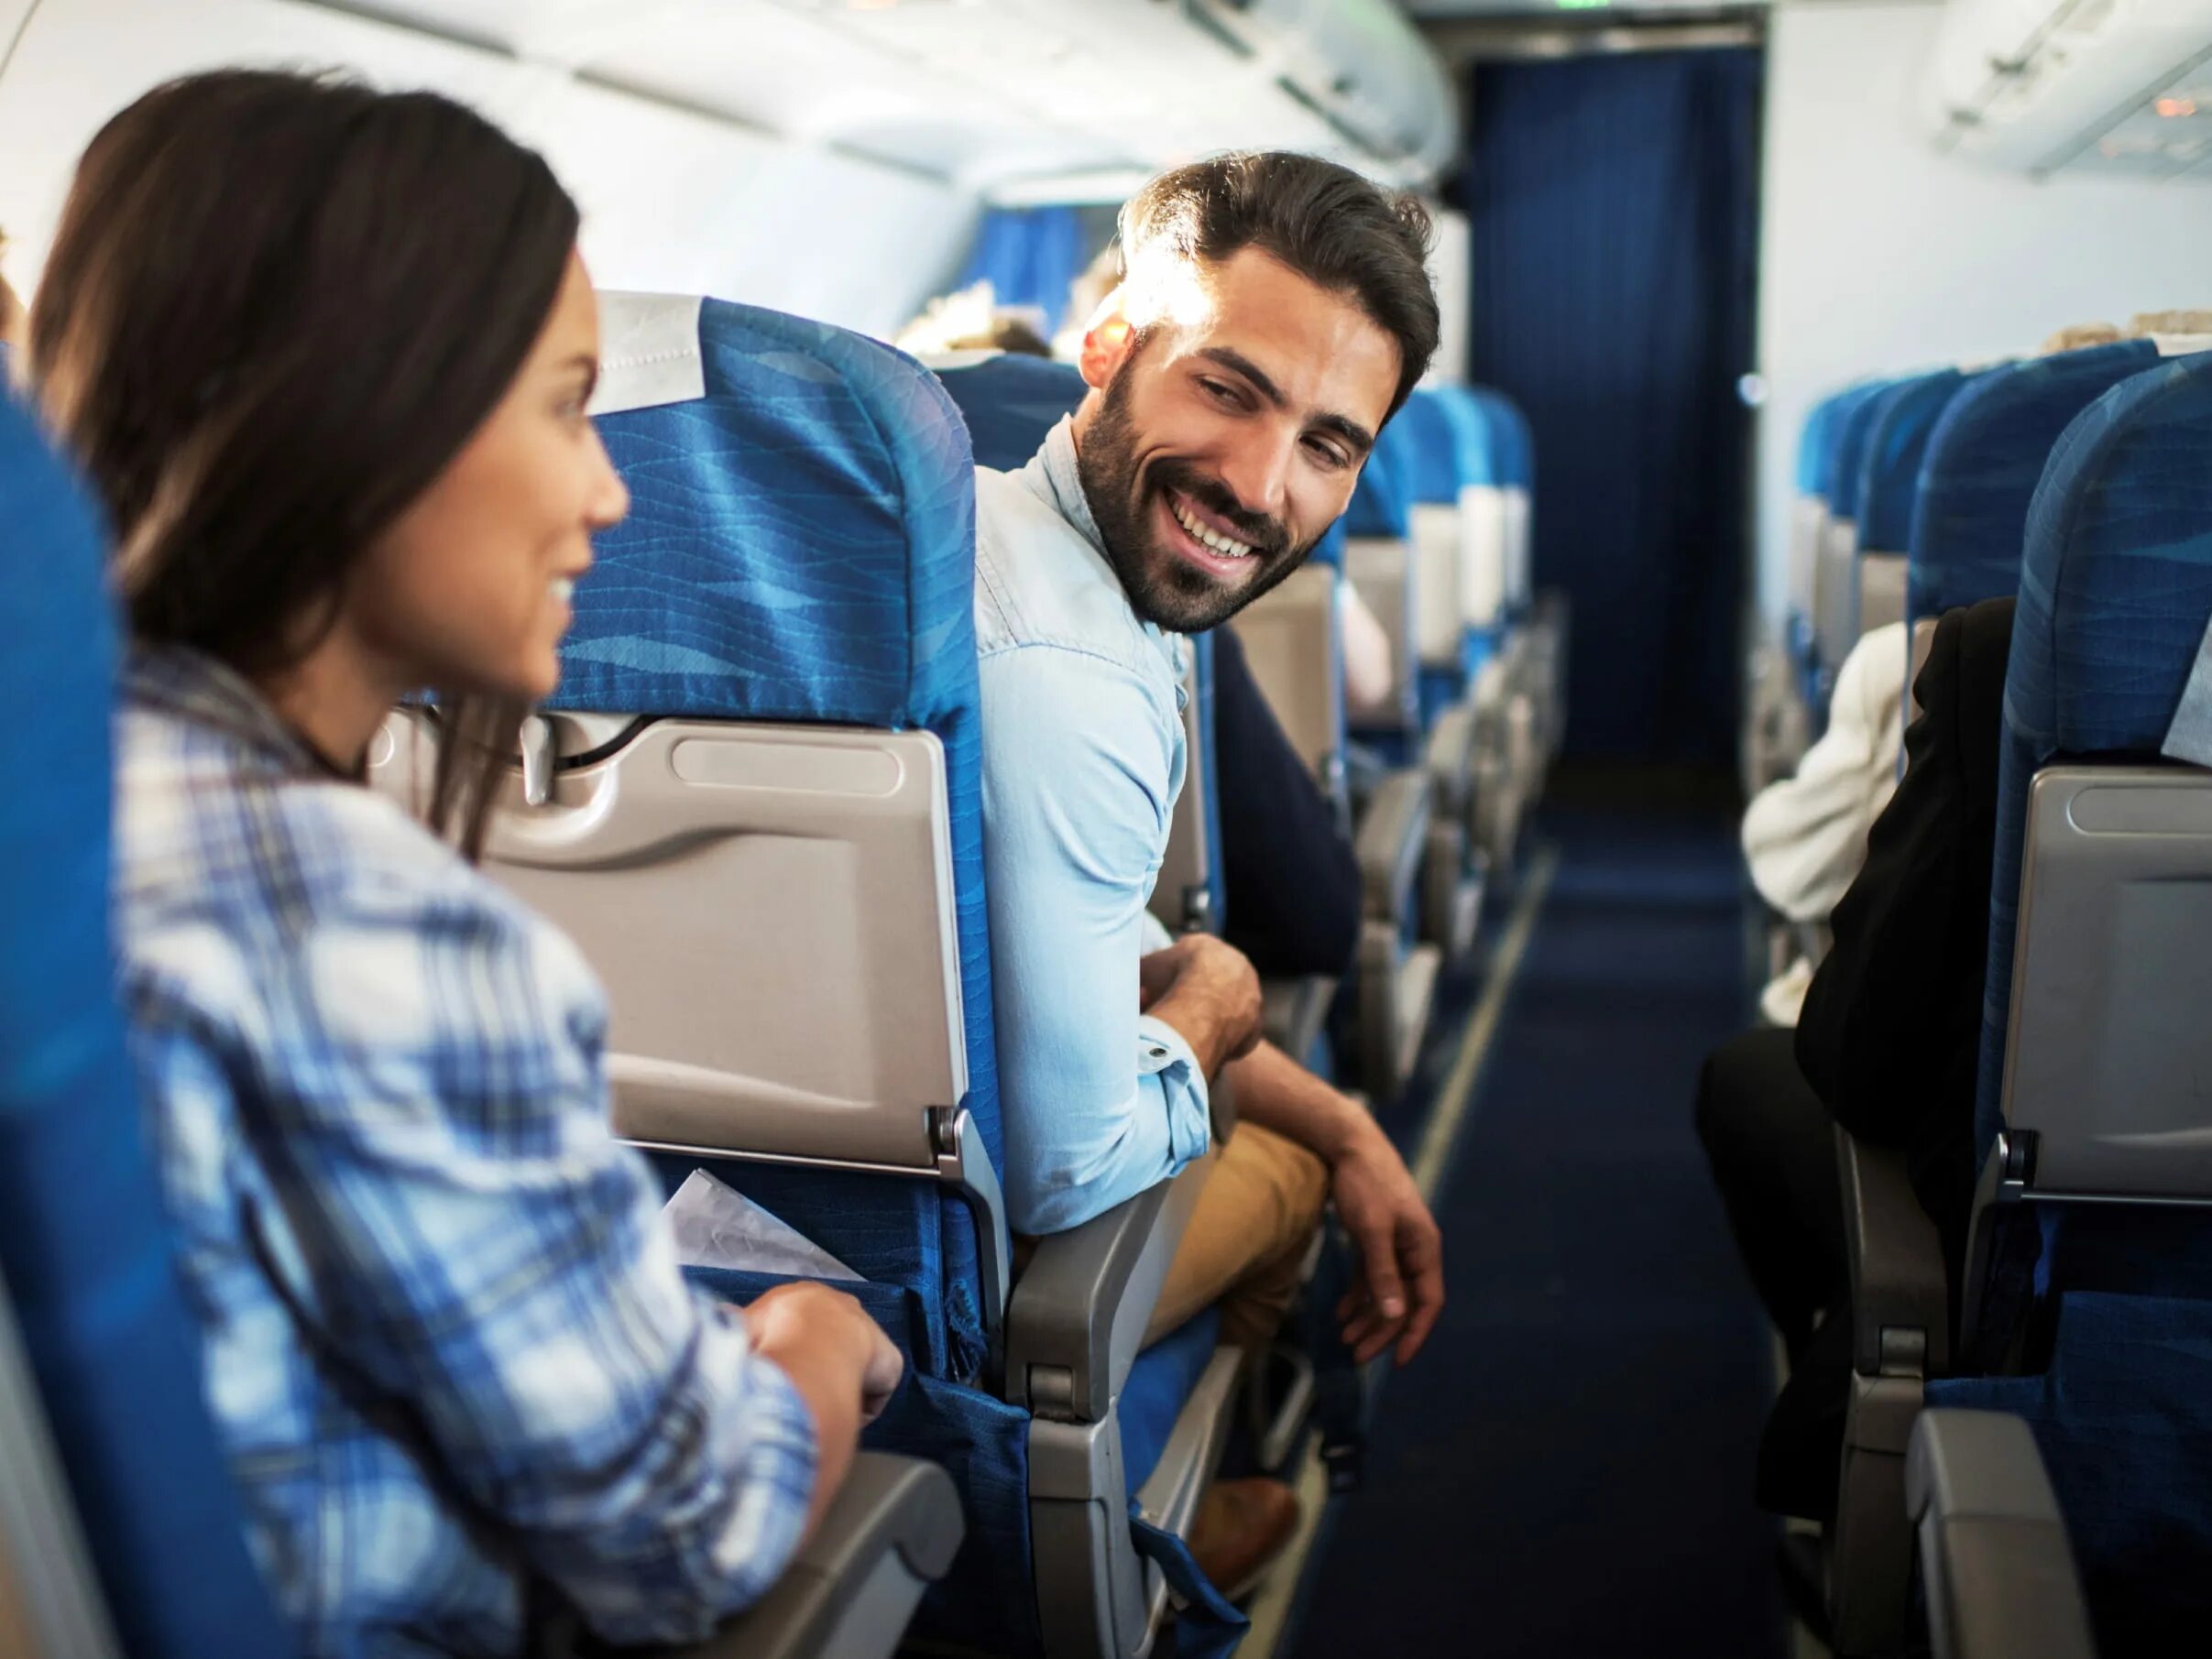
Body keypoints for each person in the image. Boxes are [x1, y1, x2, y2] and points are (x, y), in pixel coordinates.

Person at [27, 69, 900, 1656]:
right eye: (564, 407)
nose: (609, 493)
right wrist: (814, 1344)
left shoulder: (59, 809)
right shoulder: (355, 921)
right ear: (357, 407)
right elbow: (686, 1528)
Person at [971, 151, 1446, 1586]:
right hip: (954, 1277)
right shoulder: (1077, 670)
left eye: (1327, 443)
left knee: (1317, 1128)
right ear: (1107, 345)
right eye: (1227, 389)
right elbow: (1066, 1167)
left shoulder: (982, 528)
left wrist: (1347, 1111)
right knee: (1287, 1180)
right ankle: (1135, 1538)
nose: (1258, 485)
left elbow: (1040, 948)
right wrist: (1219, 997)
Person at [1695, 597, 2014, 1532]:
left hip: (2003, 1246)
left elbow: (1856, 1056)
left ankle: (1844, 1366)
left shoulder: (1982, 660)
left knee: (1751, 1074)